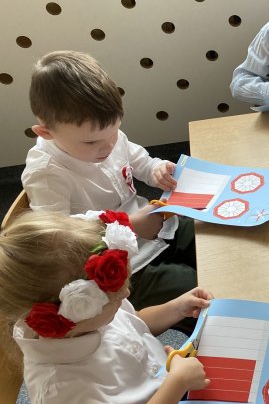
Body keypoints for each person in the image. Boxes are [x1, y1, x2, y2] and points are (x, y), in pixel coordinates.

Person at [0, 210, 217, 404]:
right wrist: (175, 385)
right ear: (76, 309)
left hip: (168, 398)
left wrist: (174, 308)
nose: (125, 294)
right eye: (114, 299)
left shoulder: (87, 317)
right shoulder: (58, 385)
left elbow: (132, 323)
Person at [22, 50, 197, 310]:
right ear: (46, 132)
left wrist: (156, 169)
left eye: (115, 131)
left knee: (212, 241)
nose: (109, 146)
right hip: (124, 267)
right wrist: (128, 225)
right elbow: (58, 236)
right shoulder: (46, 174)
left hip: (157, 226)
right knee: (195, 285)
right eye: (91, 142)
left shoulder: (104, 136)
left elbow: (138, 159)